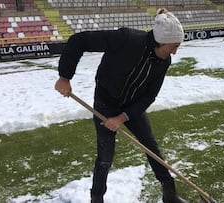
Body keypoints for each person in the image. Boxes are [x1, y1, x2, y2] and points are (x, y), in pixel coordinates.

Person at [54, 8, 186, 203]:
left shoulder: (163, 62)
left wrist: (123, 117)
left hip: (132, 107)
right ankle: (97, 198)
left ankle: (169, 193)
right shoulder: (127, 39)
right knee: (105, 157)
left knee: (151, 147)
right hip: (105, 104)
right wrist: (65, 77)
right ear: (161, 40)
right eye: (173, 46)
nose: (175, 51)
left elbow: (150, 96)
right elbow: (78, 41)